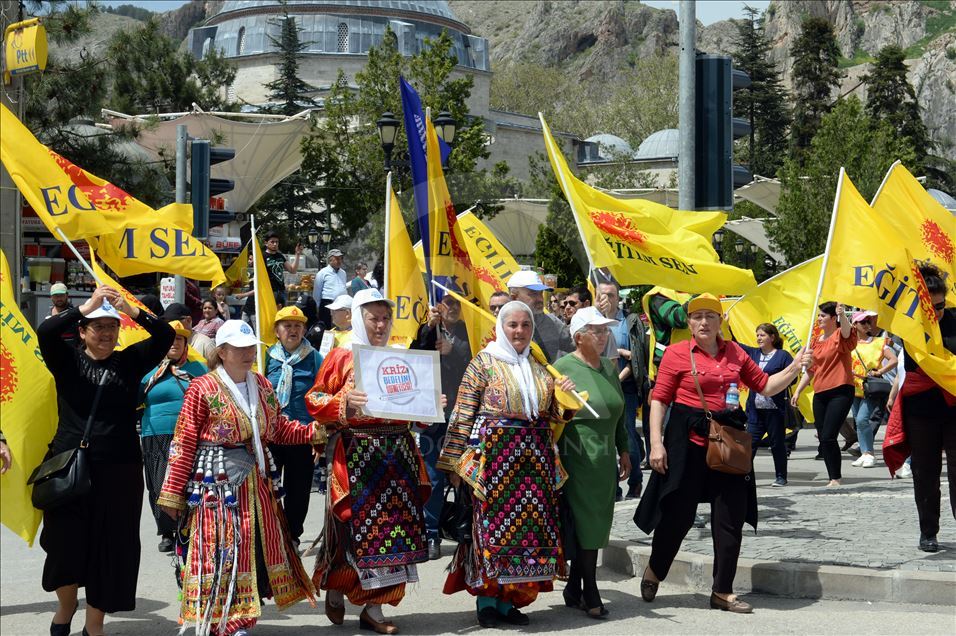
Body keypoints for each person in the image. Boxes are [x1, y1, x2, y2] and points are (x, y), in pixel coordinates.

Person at [634, 293, 811, 614]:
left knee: (730, 518)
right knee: (678, 516)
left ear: (720, 322)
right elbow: (659, 399)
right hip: (686, 444)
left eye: (710, 316)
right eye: (697, 316)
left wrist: (795, 367)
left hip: (727, 441)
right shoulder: (676, 353)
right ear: (688, 322)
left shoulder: (736, 353)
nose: (704, 322)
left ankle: (722, 591)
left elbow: (766, 386)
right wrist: (655, 444)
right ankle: (655, 570)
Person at [157, 320, 322, 635]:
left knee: (251, 547)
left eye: (251, 348)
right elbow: (184, 439)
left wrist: (312, 431)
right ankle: (226, 622)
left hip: (255, 481)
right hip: (216, 482)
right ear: (222, 352)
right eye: (240, 348)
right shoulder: (202, 387)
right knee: (222, 547)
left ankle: (241, 619)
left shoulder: (260, 384)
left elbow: (276, 428)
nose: (248, 354)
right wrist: (173, 491)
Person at [37, 285, 174, 636]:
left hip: (120, 473)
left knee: (111, 550)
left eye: (111, 327)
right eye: (98, 327)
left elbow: (165, 333)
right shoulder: (66, 358)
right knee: (63, 547)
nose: (106, 334)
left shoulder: (129, 361)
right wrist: (87, 306)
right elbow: (46, 331)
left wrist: (129, 308)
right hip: (69, 470)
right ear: (82, 331)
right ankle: (66, 607)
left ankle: (93, 626)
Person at [438, 300, 577, 628]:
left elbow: (551, 415)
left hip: (534, 466)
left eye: (525, 325)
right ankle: (488, 601)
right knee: (491, 531)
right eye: (512, 325)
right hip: (493, 465)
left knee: (526, 534)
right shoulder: (483, 363)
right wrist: (454, 463)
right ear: (502, 327)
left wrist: (563, 396)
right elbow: (462, 413)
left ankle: (511, 600)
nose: (519, 331)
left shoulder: (539, 366)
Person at [305, 289, 432, 634]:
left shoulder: (400, 356)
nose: (380, 324)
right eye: (373, 317)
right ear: (360, 318)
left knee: (392, 534)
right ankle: (336, 582)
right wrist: (344, 402)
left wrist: (428, 406)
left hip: (398, 456)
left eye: (385, 318)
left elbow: (414, 410)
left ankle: (374, 608)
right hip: (357, 455)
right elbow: (315, 398)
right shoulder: (342, 356)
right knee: (350, 530)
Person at [553, 307, 630, 618]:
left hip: (605, 457)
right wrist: (559, 394)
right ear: (578, 336)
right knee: (586, 523)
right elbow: (551, 415)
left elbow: (619, 414)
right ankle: (590, 590)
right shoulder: (562, 368)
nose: (603, 335)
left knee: (599, 522)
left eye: (605, 330)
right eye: (596, 330)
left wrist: (624, 450)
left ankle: (574, 587)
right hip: (578, 454)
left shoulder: (610, 369)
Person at [883, 263, 955, 553]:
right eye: (931, 306)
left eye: (940, 306)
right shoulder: (909, 325)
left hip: (954, 408)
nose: (936, 312)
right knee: (925, 473)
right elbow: (906, 365)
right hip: (921, 409)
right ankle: (928, 531)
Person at [139, 320, 208, 553]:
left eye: (179, 339)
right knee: (159, 485)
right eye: (170, 339)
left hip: (190, 435)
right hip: (155, 434)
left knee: (188, 482)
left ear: (186, 342)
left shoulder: (200, 369)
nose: (174, 343)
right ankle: (167, 532)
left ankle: (187, 526)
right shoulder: (147, 371)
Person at [413, 293, 471, 560]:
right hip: (433, 414)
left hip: (464, 413)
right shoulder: (429, 329)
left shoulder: (469, 331)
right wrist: (427, 328)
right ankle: (431, 533)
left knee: (467, 477)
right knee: (434, 479)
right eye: (448, 303)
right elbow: (415, 356)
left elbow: (478, 359)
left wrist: (454, 350)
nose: (453, 308)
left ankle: (467, 530)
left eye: (458, 304)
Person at [264, 305, 324, 547]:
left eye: (298, 326)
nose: (293, 330)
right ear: (277, 331)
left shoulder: (315, 358)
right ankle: (271, 534)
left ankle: (292, 537)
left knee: (298, 491)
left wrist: (319, 433)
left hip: (302, 435)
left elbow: (323, 393)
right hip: (272, 434)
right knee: (268, 488)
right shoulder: (266, 357)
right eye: (287, 326)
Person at [792, 301, 857, 487]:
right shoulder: (815, 341)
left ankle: (836, 477)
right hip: (820, 392)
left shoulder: (839, 335)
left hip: (841, 390)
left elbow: (846, 332)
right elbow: (812, 370)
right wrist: (798, 390)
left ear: (833, 318)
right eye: (819, 315)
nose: (819, 318)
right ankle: (832, 477)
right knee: (823, 437)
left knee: (829, 435)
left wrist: (842, 314)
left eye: (822, 316)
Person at [597, 280, 644, 499]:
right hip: (598, 387)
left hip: (625, 387)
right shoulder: (594, 322)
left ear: (618, 298)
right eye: (602, 294)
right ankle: (614, 487)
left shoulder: (629, 321)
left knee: (627, 435)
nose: (606, 298)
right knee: (605, 439)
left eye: (611, 295)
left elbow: (637, 358)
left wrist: (616, 378)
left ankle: (635, 481)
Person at [738, 324, 794, 487]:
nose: (758, 338)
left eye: (762, 335)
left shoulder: (783, 356)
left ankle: (781, 477)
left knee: (777, 444)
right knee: (750, 444)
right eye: (757, 335)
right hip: (755, 409)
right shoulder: (753, 353)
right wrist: (723, 325)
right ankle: (743, 476)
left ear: (772, 337)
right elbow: (732, 344)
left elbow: (793, 377)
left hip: (775, 409)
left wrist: (775, 380)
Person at [848, 311, 897, 468]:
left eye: (868, 322)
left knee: (862, 419)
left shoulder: (878, 342)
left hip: (870, 386)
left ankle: (869, 453)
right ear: (854, 324)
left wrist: (879, 371)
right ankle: (864, 452)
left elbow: (894, 360)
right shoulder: (849, 343)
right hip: (852, 386)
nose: (867, 325)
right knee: (858, 421)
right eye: (863, 322)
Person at [507, 270, 572, 363]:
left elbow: (575, 353)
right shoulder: (502, 326)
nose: (540, 299)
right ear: (514, 297)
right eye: (533, 293)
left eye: (541, 293)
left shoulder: (552, 323)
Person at [164, 302, 219, 368]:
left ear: (188, 320)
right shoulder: (164, 343)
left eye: (172, 320)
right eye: (166, 321)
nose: (170, 324)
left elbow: (216, 372)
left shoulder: (206, 344)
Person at [264, 233, 303, 306]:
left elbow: (292, 270)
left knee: (284, 314)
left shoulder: (280, 256)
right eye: (272, 242)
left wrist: (297, 254)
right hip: (270, 291)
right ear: (266, 243)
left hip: (282, 290)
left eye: (277, 242)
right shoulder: (263, 256)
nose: (275, 244)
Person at [312, 249, 347, 327]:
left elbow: (344, 287)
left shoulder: (343, 273)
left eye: (340, 258)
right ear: (330, 260)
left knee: (340, 326)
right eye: (337, 258)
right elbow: (317, 291)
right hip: (327, 304)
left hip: (340, 304)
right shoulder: (322, 273)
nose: (339, 261)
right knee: (326, 328)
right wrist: (317, 307)